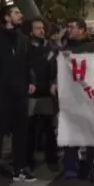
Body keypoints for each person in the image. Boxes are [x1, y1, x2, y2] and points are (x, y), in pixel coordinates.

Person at [0, 5, 37, 186]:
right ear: (6, 17)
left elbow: (29, 63)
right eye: (16, 12)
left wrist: (31, 81)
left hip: (19, 93)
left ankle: (19, 168)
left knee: (21, 133)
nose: (21, 15)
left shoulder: (23, 39)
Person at [53, 18, 94, 179]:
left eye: (72, 27)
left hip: (87, 97)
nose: (68, 29)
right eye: (68, 26)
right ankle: (70, 166)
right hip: (70, 96)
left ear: (81, 30)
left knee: (90, 132)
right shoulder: (65, 47)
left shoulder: (92, 47)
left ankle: (91, 166)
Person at [25, 18, 58, 170]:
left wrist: (54, 83)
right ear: (30, 31)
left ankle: (52, 159)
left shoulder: (51, 47)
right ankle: (28, 160)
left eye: (42, 28)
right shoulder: (24, 47)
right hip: (30, 95)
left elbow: (57, 67)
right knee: (29, 129)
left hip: (46, 95)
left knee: (49, 129)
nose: (41, 31)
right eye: (37, 28)